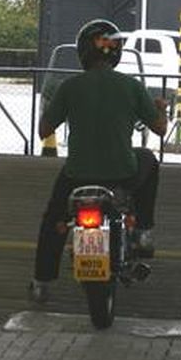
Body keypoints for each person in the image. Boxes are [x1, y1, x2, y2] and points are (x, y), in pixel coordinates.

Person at [29, 19, 168, 303]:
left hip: (77, 175)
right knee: (149, 160)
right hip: (122, 172)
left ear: (82, 52)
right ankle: (143, 231)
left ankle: (42, 283)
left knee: (53, 221)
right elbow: (160, 129)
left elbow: (44, 131)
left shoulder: (70, 87)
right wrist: (160, 109)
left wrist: (57, 109)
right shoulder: (131, 86)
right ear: (116, 52)